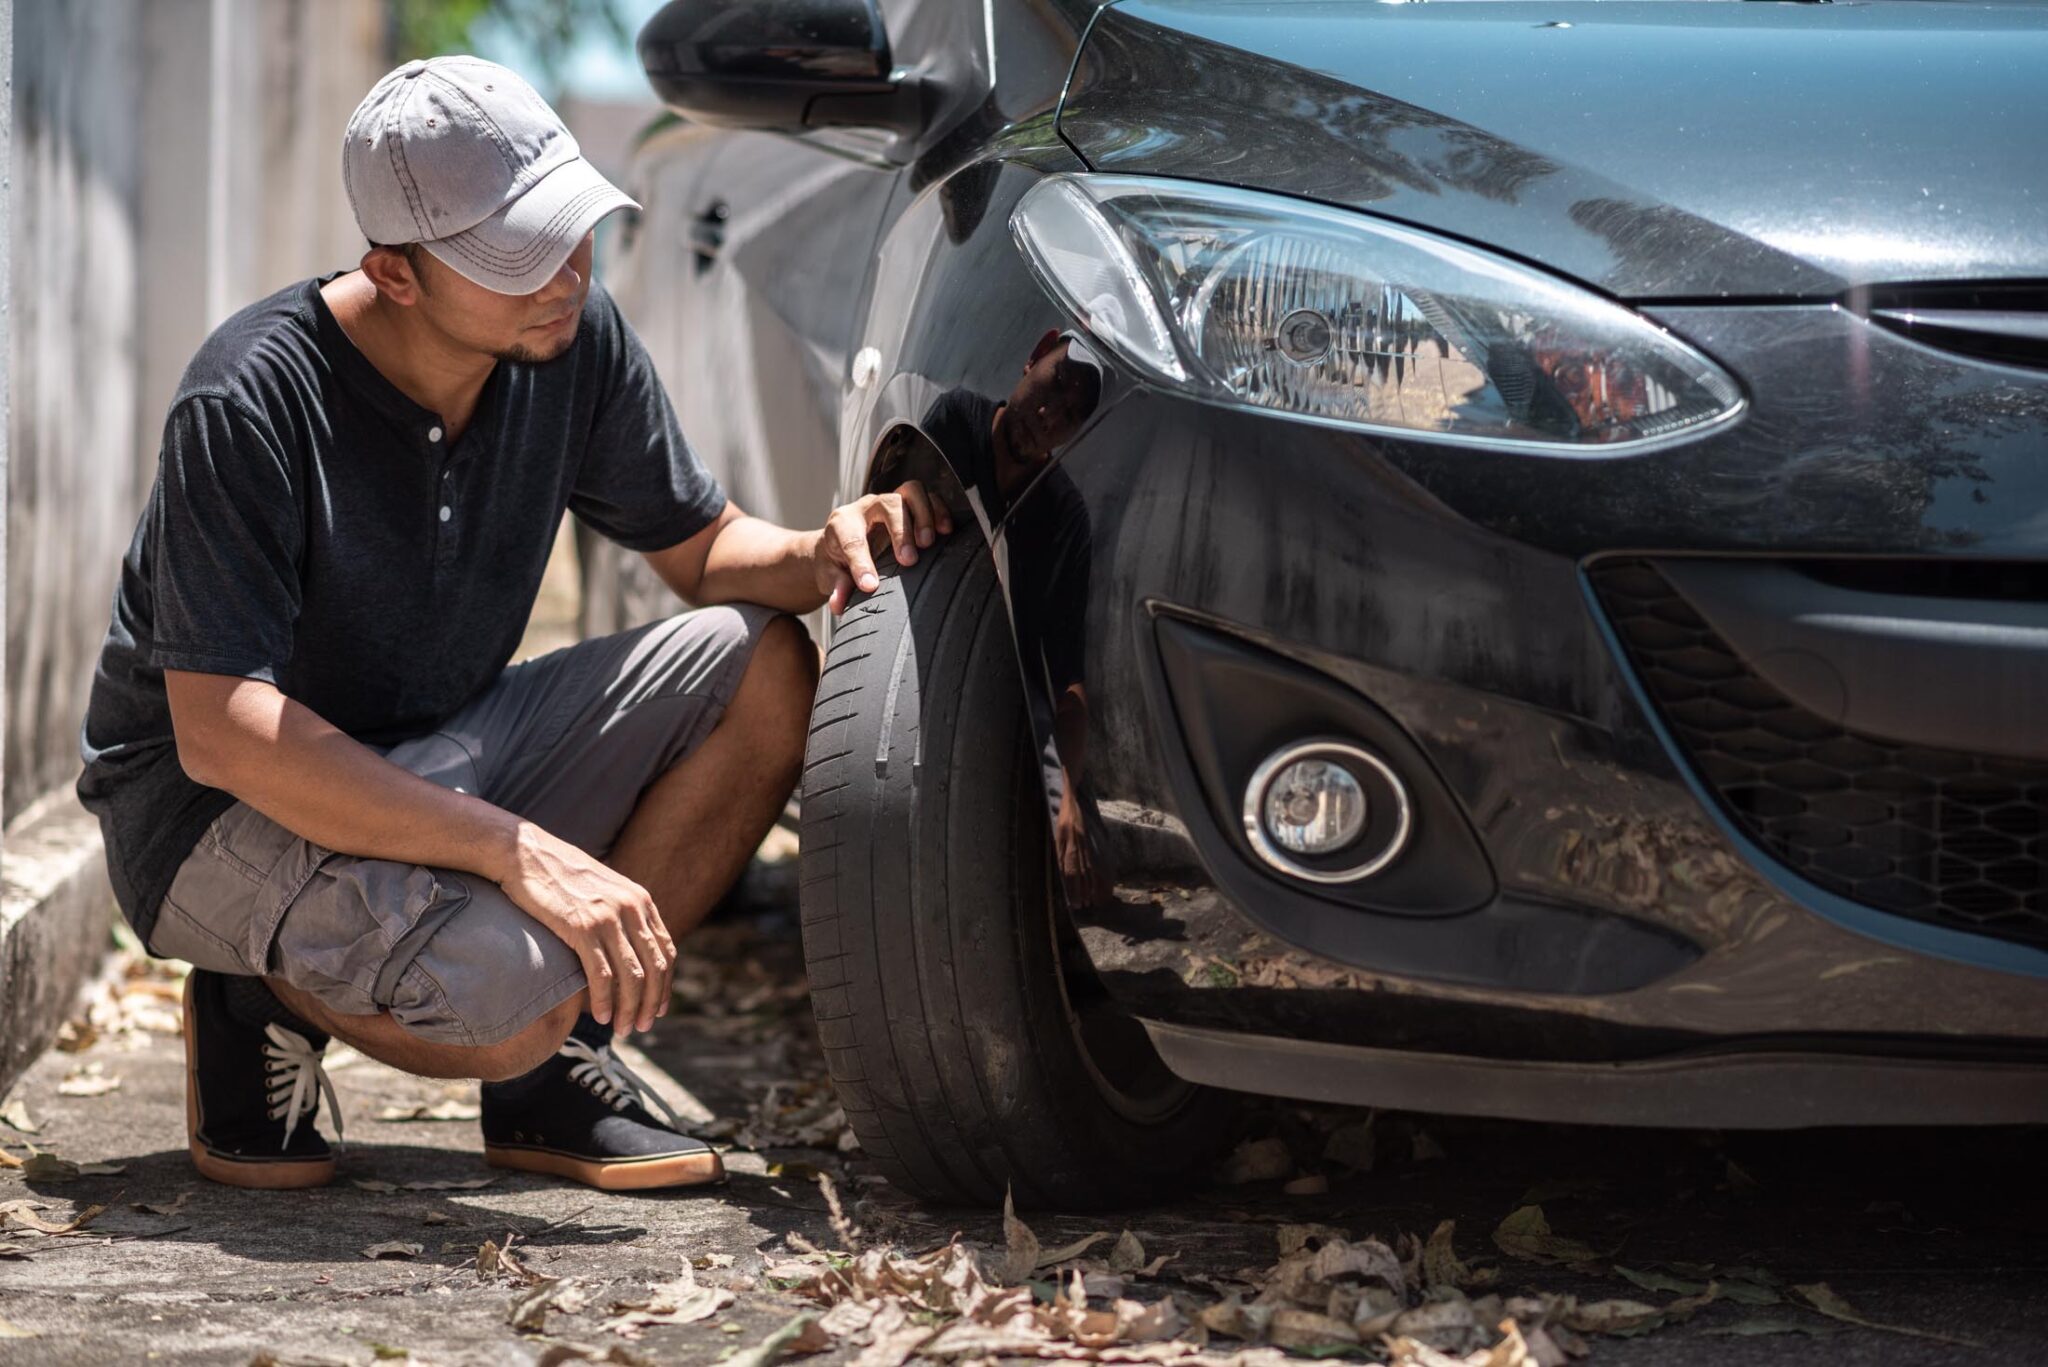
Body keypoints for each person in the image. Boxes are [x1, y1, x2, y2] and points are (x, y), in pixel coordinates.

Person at [74, 56, 948, 1192]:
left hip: (437, 748)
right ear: (393, 271)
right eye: (516, 253)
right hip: (219, 808)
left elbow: (699, 550)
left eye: (568, 226)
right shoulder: (249, 398)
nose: (566, 271)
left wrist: (817, 547)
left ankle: (555, 1077)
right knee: (508, 1003)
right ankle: (256, 991)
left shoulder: (571, 339)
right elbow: (223, 732)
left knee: (763, 664)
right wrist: (519, 850)